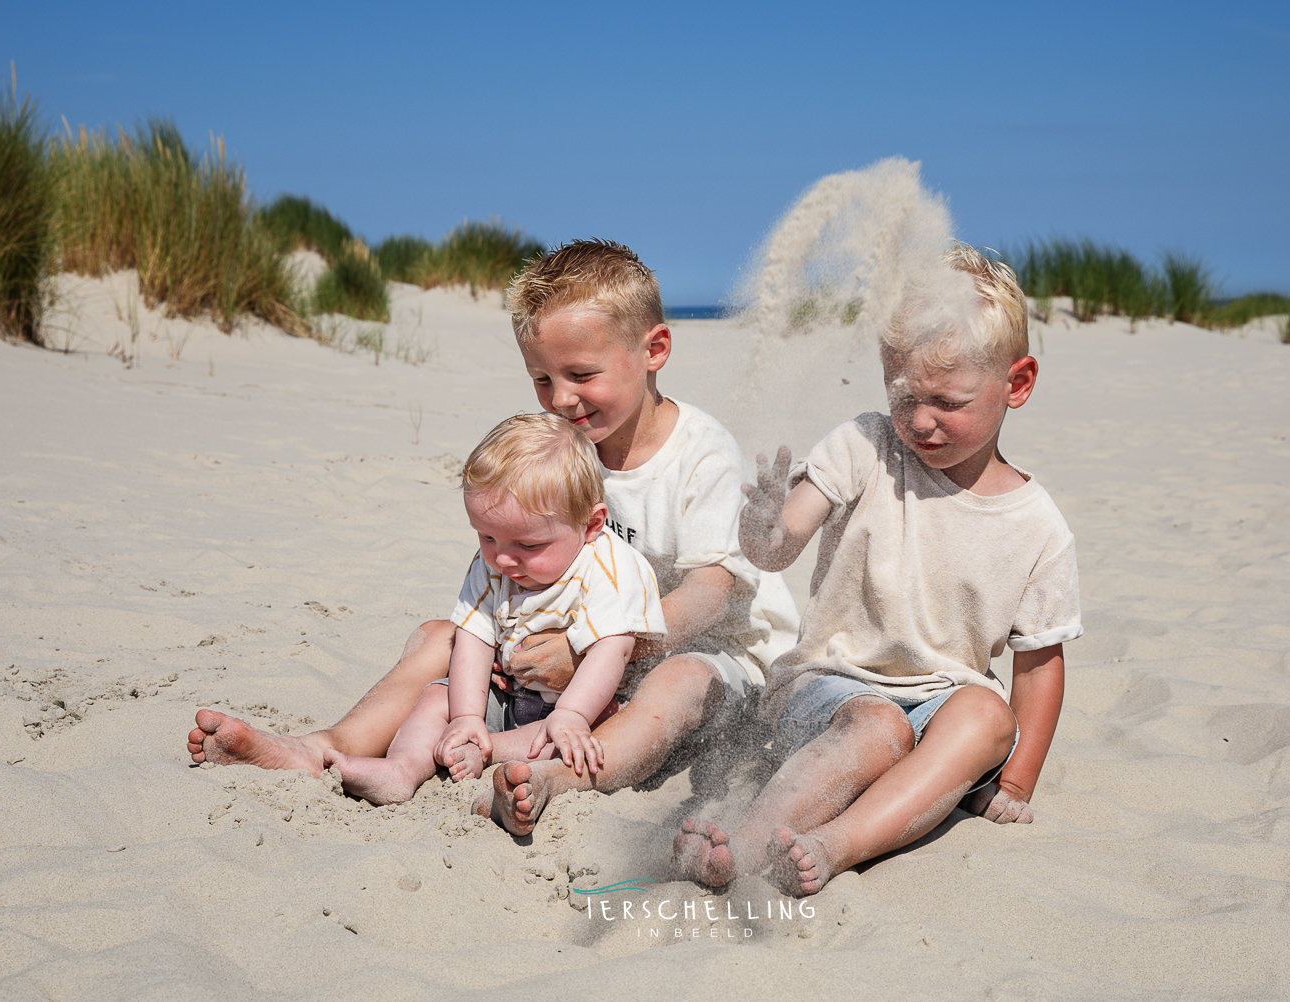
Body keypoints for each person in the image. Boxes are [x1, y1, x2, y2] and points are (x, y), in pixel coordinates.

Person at [188, 239, 798, 835]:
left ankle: (556, 782)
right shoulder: (566, 447)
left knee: (679, 685)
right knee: (441, 638)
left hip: (696, 655)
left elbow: (711, 595)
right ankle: (326, 748)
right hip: (572, 648)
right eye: (541, 380)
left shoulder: (701, 454)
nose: (561, 400)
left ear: (654, 349)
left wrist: (593, 649)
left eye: (582, 374)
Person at [672, 244, 1082, 896]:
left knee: (989, 716)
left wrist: (1015, 782)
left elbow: (1039, 667)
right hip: (831, 687)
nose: (920, 420)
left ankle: (837, 845)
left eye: (947, 400)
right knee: (880, 726)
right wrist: (765, 525)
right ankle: (742, 849)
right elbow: (780, 544)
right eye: (904, 395)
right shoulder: (866, 445)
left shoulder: (1038, 528)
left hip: (940, 702)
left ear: (1018, 383)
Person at [322, 413, 666, 805]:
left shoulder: (612, 567)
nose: (503, 559)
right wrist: (467, 716)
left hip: (583, 706)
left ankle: (492, 753)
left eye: (529, 546)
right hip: (510, 697)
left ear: (590, 526)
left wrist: (571, 713)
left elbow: (613, 648)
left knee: (585, 737)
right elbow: (474, 633)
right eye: (486, 536)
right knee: (436, 699)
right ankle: (401, 769)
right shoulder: (496, 559)